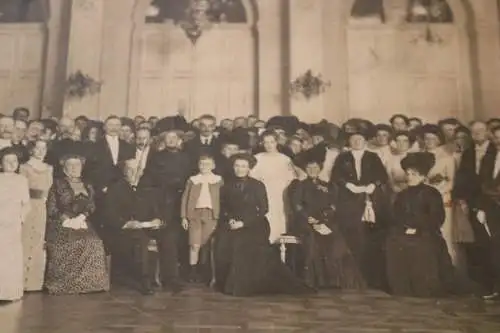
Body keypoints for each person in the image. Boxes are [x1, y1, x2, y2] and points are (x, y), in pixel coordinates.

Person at [214, 153, 312, 296]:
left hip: (255, 224)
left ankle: (244, 286)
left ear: (249, 168)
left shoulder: (257, 185)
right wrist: (230, 219)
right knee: (224, 242)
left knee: (243, 244)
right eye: (237, 166)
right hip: (233, 224)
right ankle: (227, 283)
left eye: (243, 166)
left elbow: (264, 209)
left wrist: (244, 223)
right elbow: (224, 208)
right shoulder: (226, 186)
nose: (239, 169)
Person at [386, 152, 457, 297]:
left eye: (414, 174)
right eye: (408, 173)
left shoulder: (432, 193)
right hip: (404, 231)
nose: (409, 177)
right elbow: (395, 215)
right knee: (392, 243)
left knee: (421, 247)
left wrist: (416, 227)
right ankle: (402, 287)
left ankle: (423, 287)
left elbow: (437, 218)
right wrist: (405, 227)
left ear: (422, 176)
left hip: (426, 233)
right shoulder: (402, 195)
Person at [291, 158, 366, 289]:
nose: (312, 170)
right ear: (305, 170)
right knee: (312, 240)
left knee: (336, 240)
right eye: (309, 168)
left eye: (315, 168)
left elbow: (332, 206)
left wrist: (323, 220)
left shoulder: (328, 186)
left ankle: (335, 281)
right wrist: (309, 219)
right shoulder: (299, 185)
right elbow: (297, 206)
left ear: (320, 169)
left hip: (324, 221)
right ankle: (314, 281)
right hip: (305, 222)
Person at [331, 129, 390, 290]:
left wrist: (373, 185)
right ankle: (354, 278)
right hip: (349, 202)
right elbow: (336, 176)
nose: (357, 142)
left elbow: (382, 176)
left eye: (360, 139)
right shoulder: (343, 158)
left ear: (365, 141)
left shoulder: (373, 157)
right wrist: (348, 185)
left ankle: (372, 277)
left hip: (370, 200)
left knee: (371, 237)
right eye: (354, 139)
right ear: (349, 142)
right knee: (352, 236)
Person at [44, 154, 109, 295]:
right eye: (70, 165)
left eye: (77, 165)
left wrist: (82, 216)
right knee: (72, 242)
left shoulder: (88, 185)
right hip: (62, 223)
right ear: (64, 168)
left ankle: (91, 284)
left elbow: (91, 205)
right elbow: (51, 208)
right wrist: (66, 220)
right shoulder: (57, 184)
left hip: (82, 221)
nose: (74, 168)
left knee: (94, 242)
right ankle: (65, 285)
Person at [140, 129, 191, 292]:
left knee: (178, 241)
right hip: (163, 204)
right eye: (167, 138)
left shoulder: (186, 158)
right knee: (168, 239)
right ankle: (169, 278)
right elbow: (149, 180)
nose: (171, 140)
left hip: (182, 203)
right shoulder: (156, 157)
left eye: (174, 138)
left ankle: (177, 276)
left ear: (179, 140)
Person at [102, 159, 163, 295]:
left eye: (137, 169)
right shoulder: (116, 188)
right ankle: (145, 279)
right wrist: (125, 224)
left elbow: (155, 210)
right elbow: (109, 213)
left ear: (141, 172)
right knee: (140, 240)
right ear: (124, 171)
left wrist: (157, 219)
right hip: (122, 230)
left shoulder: (147, 188)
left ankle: (162, 278)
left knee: (166, 237)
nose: (134, 172)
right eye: (130, 169)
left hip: (146, 227)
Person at [181, 155, 223, 283]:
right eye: (202, 164)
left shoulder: (218, 180)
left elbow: (223, 199)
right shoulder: (193, 180)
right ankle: (192, 272)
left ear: (213, 166)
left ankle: (206, 272)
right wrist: (184, 217)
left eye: (208, 164)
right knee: (194, 244)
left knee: (207, 244)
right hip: (194, 214)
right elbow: (185, 199)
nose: (204, 167)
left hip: (211, 214)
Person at [421, 124, 458, 265]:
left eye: (432, 138)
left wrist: (435, 192)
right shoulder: (419, 155)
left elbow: (451, 182)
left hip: (441, 199)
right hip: (423, 201)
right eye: (426, 138)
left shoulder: (447, 158)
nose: (429, 141)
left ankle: (450, 270)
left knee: (444, 235)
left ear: (439, 140)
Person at [250, 131, 297, 243]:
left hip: (281, 195)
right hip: (263, 194)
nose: (269, 145)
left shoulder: (285, 159)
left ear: (276, 142)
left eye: (272, 142)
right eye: (266, 142)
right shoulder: (257, 158)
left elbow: (291, 179)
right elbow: (252, 178)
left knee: (280, 221)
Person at [19, 139, 53, 291]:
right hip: (27, 205)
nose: (41, 151)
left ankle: (34, 282)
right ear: (32, 150)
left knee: (39, 239)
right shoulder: (24, 167)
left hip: (41, 207)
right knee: (25, 238)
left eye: (44, 148)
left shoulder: (49, 168)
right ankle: (21, 280)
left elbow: (48, 189)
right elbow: (21, 189)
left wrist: (44, 203)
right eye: (38, 148)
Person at [0, 147, 30, 301]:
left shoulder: (22, 180)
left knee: (12, 256)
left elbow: (26, 203)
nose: (11, 164)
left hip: (13, 222)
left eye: (14, 161)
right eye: (7, 161)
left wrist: (20, 219)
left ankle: (11, 292)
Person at [475, 125, 500, 301]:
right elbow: (482, 186)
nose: (499, 141)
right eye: (496, 138)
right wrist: (481, 208)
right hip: (492, 208)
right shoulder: (488, 158)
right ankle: (496, 288)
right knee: (494, 249)